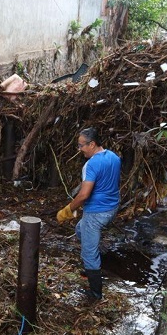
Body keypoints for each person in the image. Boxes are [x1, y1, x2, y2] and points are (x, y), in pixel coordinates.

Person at [56, 127, 121, 301]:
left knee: (88, 253)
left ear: (92, 144)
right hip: (112, 208)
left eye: (81, 145)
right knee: (80, 230)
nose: (79, 149)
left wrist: (68, 210)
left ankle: (95, 293)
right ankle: (93, 259)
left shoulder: (91, 164)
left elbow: (84, 195)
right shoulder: (114, 157)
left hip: (96, 213)